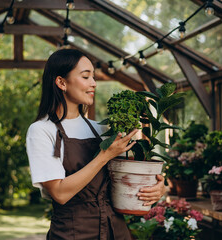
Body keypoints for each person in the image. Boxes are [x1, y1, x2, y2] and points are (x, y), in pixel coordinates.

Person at [26, 49, 166, 239]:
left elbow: (127, 177)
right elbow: (59, 193)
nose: (93, 84)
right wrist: (104, 156)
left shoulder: (101, 129)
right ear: (61, 82)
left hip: (116, 231)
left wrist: (157, 187)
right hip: (73, 233)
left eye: (93, 77)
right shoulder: (41, 131)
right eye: (85, 76)